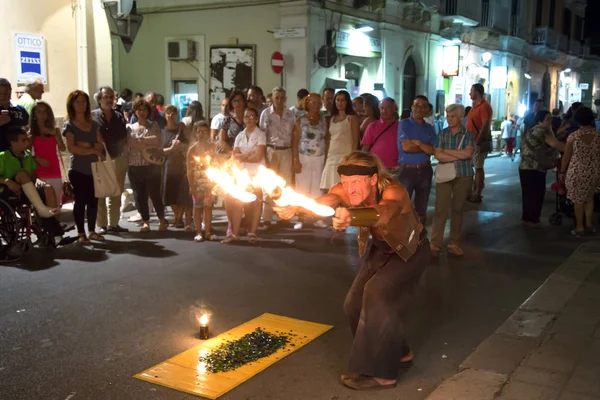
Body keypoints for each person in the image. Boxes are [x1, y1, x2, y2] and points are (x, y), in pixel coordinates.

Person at [273, 151, 431, 391]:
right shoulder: (345, 189)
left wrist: (352, 217)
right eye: (346, 182)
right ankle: (401, 353)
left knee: (376, 293)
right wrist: (297, 208)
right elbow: (326, 200)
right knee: (353, 304)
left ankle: (383, 374)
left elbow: (383, 213)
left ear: (373, 179)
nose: (350, 188)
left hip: (410, 252)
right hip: (381, 250)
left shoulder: (394, 192)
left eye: (356, 182)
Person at [431, 104, 475, 257]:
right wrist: (457, 154)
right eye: (448, 116)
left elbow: (467, 154)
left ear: (461, 117)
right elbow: (437, 154)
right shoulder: (442, 134)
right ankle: (435, 243)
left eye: (453, 116)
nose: (449, 119)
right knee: (440, 210)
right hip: (444, 175)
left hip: (464, 174)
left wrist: (447, 152)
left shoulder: (468, 134)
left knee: (457, 209)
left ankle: (453, 243)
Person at [63, 90, 106, 244]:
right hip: (78, 169)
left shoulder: (93, 124)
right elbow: (72, 148)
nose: (81, 105)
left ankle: (92, 231)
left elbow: (101, 144)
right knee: (80, 201)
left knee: (94, 200)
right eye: (78, 102)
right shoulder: (69, 125)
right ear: (72, 105)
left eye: (84, 101)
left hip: (94, 168)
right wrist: (92, 149)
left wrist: (86, 145)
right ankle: (81, 233)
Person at [223, 108, 266, 244]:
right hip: (242, 172)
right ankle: (235, 233)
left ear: (257, 119)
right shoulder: (240, 136)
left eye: (252, 117)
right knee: (238, 202)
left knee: (256, 201)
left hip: (257, 171)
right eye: (246, 116)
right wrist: (247, 155)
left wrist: (243, 156)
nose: (249, 119)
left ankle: (252, 232)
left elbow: (258, 156)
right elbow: (234, 156)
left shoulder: (261, 135)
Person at [92, 86, 129, 234]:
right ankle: (101, 225)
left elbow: (123, 137)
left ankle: (114, 224)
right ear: (99, 99)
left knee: (116, 192)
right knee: (100, 193)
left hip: (118, 158)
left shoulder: (119, 116)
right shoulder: (93, 116)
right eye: (105, 97)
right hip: (100, 159)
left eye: (111, 97)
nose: (108, 100)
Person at [127, 99, 168, 233]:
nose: (141, 112)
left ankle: (162, 220)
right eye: (139, 109)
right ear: (135, 111)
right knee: (140, 195)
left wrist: (141, 140)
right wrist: (147, 142)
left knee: (155, 194)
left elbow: (158, 141)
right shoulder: (129, 128)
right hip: (134, 165)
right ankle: (146, 222)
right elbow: (131, 144)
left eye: (144, 109)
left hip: (152, 165)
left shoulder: (153, 125)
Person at [0, 126, 60, 218]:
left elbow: (32, 175)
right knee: (22, 174)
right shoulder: (3, 156)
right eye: (23, 140)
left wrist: (37, 180)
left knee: (48, 187)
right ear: (13, 143)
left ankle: (53, 221)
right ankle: (42, 210)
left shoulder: (28, 155)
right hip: (10, 191)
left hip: (27, 190)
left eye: (27, 139)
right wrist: (7, 181)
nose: (27, 142)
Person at [519, 111, 565, 227]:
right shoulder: (543, 131)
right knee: (537, 194)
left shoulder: (533, 129)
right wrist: (573, 148)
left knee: (528, 194)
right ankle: (534, 220)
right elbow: (555, 144)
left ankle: (527, 218)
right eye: (547, 119)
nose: (550, 122)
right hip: (536, 167)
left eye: (551, 119)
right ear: (540, 120)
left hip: (525, 166)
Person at [560, 107, 600, 236]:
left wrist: (562, 171)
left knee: (578, 200)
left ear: (577, 120)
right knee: (589, 198)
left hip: (577, 171)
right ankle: (589, 224)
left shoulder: (574, 136)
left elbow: (567, 156)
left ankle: (579, 227)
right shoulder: (598, 136)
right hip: (593, 171)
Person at [259, 87, 296, 228]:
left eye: (282, 98)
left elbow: (293, 134)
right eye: (277, 98)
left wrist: (293, 155)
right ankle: (266, 218)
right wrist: (264, 157)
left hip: (286, 151)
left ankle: (283, 217)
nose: (279, 100)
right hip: (271, 151)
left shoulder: (290, 114)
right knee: (269, 185)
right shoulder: (266, 114)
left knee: (285, 185)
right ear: (273, 98)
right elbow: (262, 135)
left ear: (285, 99)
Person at [397, 95, 435, 225]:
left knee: (421, 209)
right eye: (416, 106)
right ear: (412, 108)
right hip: (407, 170)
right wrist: (425, 147)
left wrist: (417, 143)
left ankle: (419, 238)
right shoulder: (404, 123)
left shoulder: (429, 128)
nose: (419, 109)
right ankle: (401, 240)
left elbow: (433, 150)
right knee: (402, 207)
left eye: (422, 106)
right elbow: (406, 147)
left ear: (427, 110)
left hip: (425, 170)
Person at [292, 93, 328, 230]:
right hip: (303, 156)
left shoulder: (324, 120)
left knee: (317, 189)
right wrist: (295, 160)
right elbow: (295, 140)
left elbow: (327, 138)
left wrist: (326, 157)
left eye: (318, 102)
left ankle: (317, 218)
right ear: (307, 103)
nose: (315, 105)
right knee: (302, 188)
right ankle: (301, 217)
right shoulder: (300, 119)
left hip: (319, 157)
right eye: (312, 102)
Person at [321, 90, 360, 191]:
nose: (340, 103)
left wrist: (352, 158)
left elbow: (356, 140)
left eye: (343, 100)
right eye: (337, 100)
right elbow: (329, 139)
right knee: (328, 187)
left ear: (347, 102)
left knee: (343, 186)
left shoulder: (351, 118)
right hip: (332, 155)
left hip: (345, 155)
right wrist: (326, 157)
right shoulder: (332, 118)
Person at [162, 105, 193, 230]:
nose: (170, 115)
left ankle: (179, 219)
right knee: (169, 194)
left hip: (181, 164)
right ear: (164, 115)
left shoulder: (182, 128)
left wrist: (181, 145)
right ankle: (177, 217)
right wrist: (171, 148)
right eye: (168, 113)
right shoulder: (162, 131)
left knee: (181, 193)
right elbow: (160, 150)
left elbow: (191, 142)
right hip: (168, 165)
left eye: (173, 113)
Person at [29, 101, 66, 206]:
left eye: (45, 112)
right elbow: (25, 153)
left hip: (54, 170)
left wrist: (55, 134)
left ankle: (56, 222)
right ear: (34, 114)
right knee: (43, 205)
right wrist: (37, 159)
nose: (42, 114)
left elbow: (63, 148)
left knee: (56, 205)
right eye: (39, 112)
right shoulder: (31, 132)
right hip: (39, 172)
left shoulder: (55, 130)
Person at [187, 121, 218, 242]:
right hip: (197, 184)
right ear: (195, 133)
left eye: (205, 131)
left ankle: (208, 231)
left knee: (208, 207)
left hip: (210, 184)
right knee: (197, 207)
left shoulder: (212, 148)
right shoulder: (192, 150)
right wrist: (191, 185)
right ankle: (199, 231)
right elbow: (189, 170)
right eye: (199, 131)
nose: (202, 134)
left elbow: (217, 166)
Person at [466, 83, 493, 203]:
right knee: (471, 167)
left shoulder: (484, 106)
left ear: (477, 92)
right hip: (471, 141)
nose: (469, 93)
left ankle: (477, 193)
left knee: (478, 167)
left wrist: (478, 141)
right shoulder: (474, 106)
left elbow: (485, 124)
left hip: (477, 141)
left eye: (471, 91)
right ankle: (471, 190)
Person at [361, 98, 399, 170]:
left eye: (387, 108)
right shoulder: (372, 126)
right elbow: (365, 148)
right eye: (382, 108)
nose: (384, 111)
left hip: (395, 167)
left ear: (394, 108)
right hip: (376, 166)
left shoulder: (400, 126)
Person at [0, 78, 29, 152]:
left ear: (10, 91)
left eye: (6, 93)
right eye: (0, 93)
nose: (3, 97)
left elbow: (28, 128)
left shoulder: (20, 110)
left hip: (18, 154)